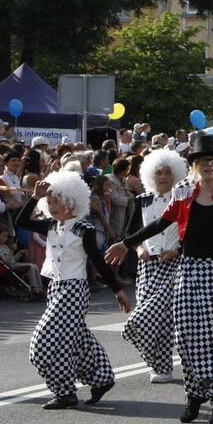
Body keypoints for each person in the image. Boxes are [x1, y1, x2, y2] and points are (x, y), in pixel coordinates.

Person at [107, 134, 213, 424]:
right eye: (203, 161)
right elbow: (161, 222)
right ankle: (195, 396)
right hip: (189, 270)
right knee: (187, 337)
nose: (209, 165)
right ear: (195, 166)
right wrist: (127, 243)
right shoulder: (184, 191)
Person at [16, 171, 130, 409]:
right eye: (49, 201)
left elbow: (98, 262)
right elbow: (21, 222)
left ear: (71, 200)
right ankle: (102, 379)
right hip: (55, 288)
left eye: (56, 199)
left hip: (74, 290)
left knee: (44, 343)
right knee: (77, 339)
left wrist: (118, 290)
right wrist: (34, 198)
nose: (52, 204)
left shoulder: (83, 228)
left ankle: (65, 392)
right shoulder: (49, 225)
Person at [121, 149, 186, 383]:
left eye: (168, 172)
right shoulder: (143, 200)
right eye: (159, 172)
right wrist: (139, 249)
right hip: (147, 267)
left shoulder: (181, 199)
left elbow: (191, 231)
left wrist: (177, 250)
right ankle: (159, 365)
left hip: (173, 264)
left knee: (147, 318)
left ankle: (162, 365)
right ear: (151, 175)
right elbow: (131, 233)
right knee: (155, 321)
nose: (163, 177)